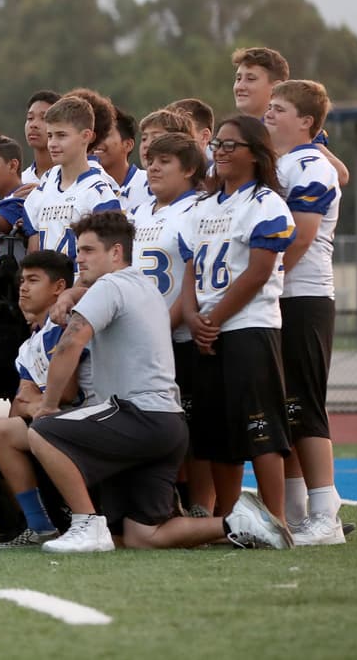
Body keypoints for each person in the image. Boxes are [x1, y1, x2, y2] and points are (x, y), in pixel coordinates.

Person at [28, 212, 292, 552]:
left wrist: (48, 406)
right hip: (167, 425)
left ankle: (86, 525)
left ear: (116, 252)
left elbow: (69, 345)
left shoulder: (111, 285)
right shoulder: (143, 286)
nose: (79, 257)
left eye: (89, 250)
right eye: (79, 250)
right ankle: (236, 523)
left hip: (137, 415)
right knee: (143, 536)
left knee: (43, 432)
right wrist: (72, 294)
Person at [180, 116, 296, 523]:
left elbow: (259, 271)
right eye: (219, 145)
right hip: (209, 330)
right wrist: (193, 317)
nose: (222, 152)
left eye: (232, 145)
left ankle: (276, 518)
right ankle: (230, 520)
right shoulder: (201, 207)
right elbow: (191, 271)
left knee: (261, 428)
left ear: (256, 152)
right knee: (217, 433)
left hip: (249, 326)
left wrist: (213, 317)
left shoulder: (266, 203)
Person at [263, 81, 345, 545]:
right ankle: (296, 511)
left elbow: (301, 235)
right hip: (280, 295)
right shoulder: (282, 162)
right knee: (283, 405)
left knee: (303, 405)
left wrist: (265, 281)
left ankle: (325, 513)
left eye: (279, 108)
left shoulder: (312, 164)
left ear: (308, 122)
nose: (269, 114)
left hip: (302, 295)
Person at [0, 251, 92, 548]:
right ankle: (39, 526)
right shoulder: (30, 342)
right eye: (22, 281)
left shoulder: (68, 324)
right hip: (57, 419)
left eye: (33, 280)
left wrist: (37, 403)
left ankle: (62, 516)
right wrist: (37, 404)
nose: (23, 288)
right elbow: (20, 400)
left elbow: (67, 393)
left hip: (91, 415)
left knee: (13, 430)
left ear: (59, 287)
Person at [128, 132, 208, 514]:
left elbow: (191, 277)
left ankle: (202, 507)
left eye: (165, 161)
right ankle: (169, 502)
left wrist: (162, 326)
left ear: (190, 168)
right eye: (151, 160)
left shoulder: (197, 210)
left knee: (192, 427)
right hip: (141, 337)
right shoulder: (141, 211)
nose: (153, 167)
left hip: (176, 336)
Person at [22, 96, 121, 260]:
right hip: (50, 283)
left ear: (86, 136)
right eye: (50, 135)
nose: (52, 143)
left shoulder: (98, 192)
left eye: (61, 135)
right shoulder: (46, 183)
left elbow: (109, 257)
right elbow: (33, 241)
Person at [232, 47, 349, 185]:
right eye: (238, 78)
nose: (240, 86)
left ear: (276, 87)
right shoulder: (240, 129)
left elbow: (340, 175)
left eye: (250, 79)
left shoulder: (293, 127)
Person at [96, 107, 150, 214]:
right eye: (94, 135)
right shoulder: (83, 188)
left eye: (105, 135)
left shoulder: (150, 185)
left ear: (128, 145)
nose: (95, 142)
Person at [22, 90, 60, 185]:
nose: (33, 125)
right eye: (30, 118)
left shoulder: (72, 179)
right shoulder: (22, 181)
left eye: (44, 118)